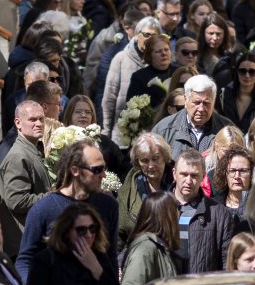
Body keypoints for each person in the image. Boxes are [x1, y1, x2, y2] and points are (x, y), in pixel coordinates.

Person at [16, 141, 120, 283]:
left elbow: (111, 257)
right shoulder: (44, 209)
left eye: (104, 168)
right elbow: (25, 260)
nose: (103, 175)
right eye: (97, 169)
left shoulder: (108, 206)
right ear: (75, 171)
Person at [117, 191, 181, 285]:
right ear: (165, 216)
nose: (178, 217)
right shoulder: (145, 249)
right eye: (175, 212)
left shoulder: (158, 247)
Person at [0, 101, 51, 256]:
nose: (39, 123)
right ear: (18, 123)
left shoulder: (32, 149)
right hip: (25, 247)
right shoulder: (18, 156)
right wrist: (53, 197)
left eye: (41, 119)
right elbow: (17, 201)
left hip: (34, 243)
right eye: (32, 119)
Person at [102, 16, 163, 147]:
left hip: (152, 137)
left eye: (154, 36)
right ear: (137, 35)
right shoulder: (120, 58)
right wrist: (106, 133)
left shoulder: (162, 65)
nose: (150, 39)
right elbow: (109, 99)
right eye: (146, 34)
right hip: (121, 136)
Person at [172, 149, 236, 273]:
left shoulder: (219, 214)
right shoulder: (158, 208)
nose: (189, 181)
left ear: (203, 176)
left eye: (194, 175)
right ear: (174, 174)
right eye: (184, 174)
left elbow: (226, 265)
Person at [152, 74, 234, 157]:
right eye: (196, 103)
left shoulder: (227, 130)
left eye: (206, 103)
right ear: (186, 100)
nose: (201, 108)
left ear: (214, 102)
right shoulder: (164, 130)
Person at [116, 132, 173, 250]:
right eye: (145, 161)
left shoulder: (177, 181)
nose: (151, 165)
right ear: (138, 162)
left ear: (165, 157)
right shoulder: (130, 187)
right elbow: (118, 234)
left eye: (156, 159)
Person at [61, 94, 126, 180]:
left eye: (88, 112)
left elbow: (122, 167)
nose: (83, 115)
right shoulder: (60, 140)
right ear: (70, 115)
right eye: (78, 111)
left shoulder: (104, 141)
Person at [214, 52, 255, 132]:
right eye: (242, 71)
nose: (247, 75)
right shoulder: (222, 97)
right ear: (236, 72)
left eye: (252, 72)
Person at [124, 33, 176, 110]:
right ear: (150, 55)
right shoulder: (139, 77)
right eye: (158, 51)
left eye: (166, 49)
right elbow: (132, 105)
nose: (164, 53)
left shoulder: (178, 72)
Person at [212, 145, 253, 218]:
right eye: (232, 171)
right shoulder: (213, 206)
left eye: (243, 171)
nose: (237, 176)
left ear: (252, 173)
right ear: (225, 173)